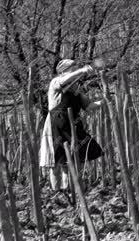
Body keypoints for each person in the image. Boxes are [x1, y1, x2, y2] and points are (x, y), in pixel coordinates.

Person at [39, 59, 104, 192]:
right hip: (57, 124)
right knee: (57, 160)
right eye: (72, 69)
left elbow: (89, 106)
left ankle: (70, 189)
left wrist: (103, 102)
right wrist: (83, 70)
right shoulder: (56, 82)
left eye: (75, 68)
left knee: (75, 158)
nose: (75, 71)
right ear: (63, 71)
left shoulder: (76, 91)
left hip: (73, 125)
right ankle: (56, 192)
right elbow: (64, 80)